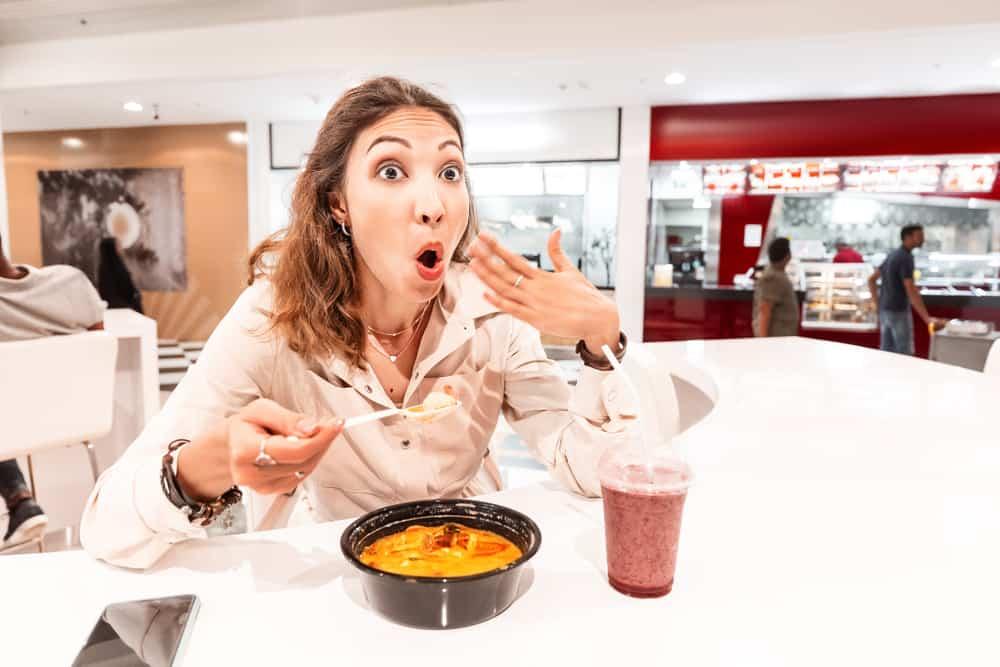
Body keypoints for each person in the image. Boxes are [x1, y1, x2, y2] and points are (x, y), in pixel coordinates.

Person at [80, 77, 633, 570]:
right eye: (391, 171)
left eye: (449, 171)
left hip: (470, 561)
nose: (433, 203)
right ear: (338, 203)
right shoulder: (273, 317)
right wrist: (205, 466)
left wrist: (601, 340)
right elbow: (106, 530)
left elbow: (594, 473)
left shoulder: (490, 311)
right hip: (325, 576)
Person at [0, 232, 106, 550]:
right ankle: (22, 501)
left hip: (12, 428)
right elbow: (98, 341)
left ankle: (20, 498)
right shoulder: (70, 281)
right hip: (82, 417)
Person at [867, 224, 946, 355]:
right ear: (908, 237)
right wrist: (927, 318)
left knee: (886, 353)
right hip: (898, 311)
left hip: (885, 311)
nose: (922, 239)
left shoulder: (892, 255)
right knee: (905, 354)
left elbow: (871, 280)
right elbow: (910, 288)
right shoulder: (906, 257)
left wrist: (878, 305)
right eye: (919, 236)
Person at [753, 237, 798, 337]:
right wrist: (763, 342)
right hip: (775, 340)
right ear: (787, 256)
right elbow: (765, 311)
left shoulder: (776, 274)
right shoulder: (773, 277)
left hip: (779, 339)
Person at [97, 237, 144, 313]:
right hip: (123, 310)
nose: (121, 248)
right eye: (118, 245)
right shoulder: (111, 269)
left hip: (124, 308)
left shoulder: (114, 265)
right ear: (112, 248)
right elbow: (112, 294)